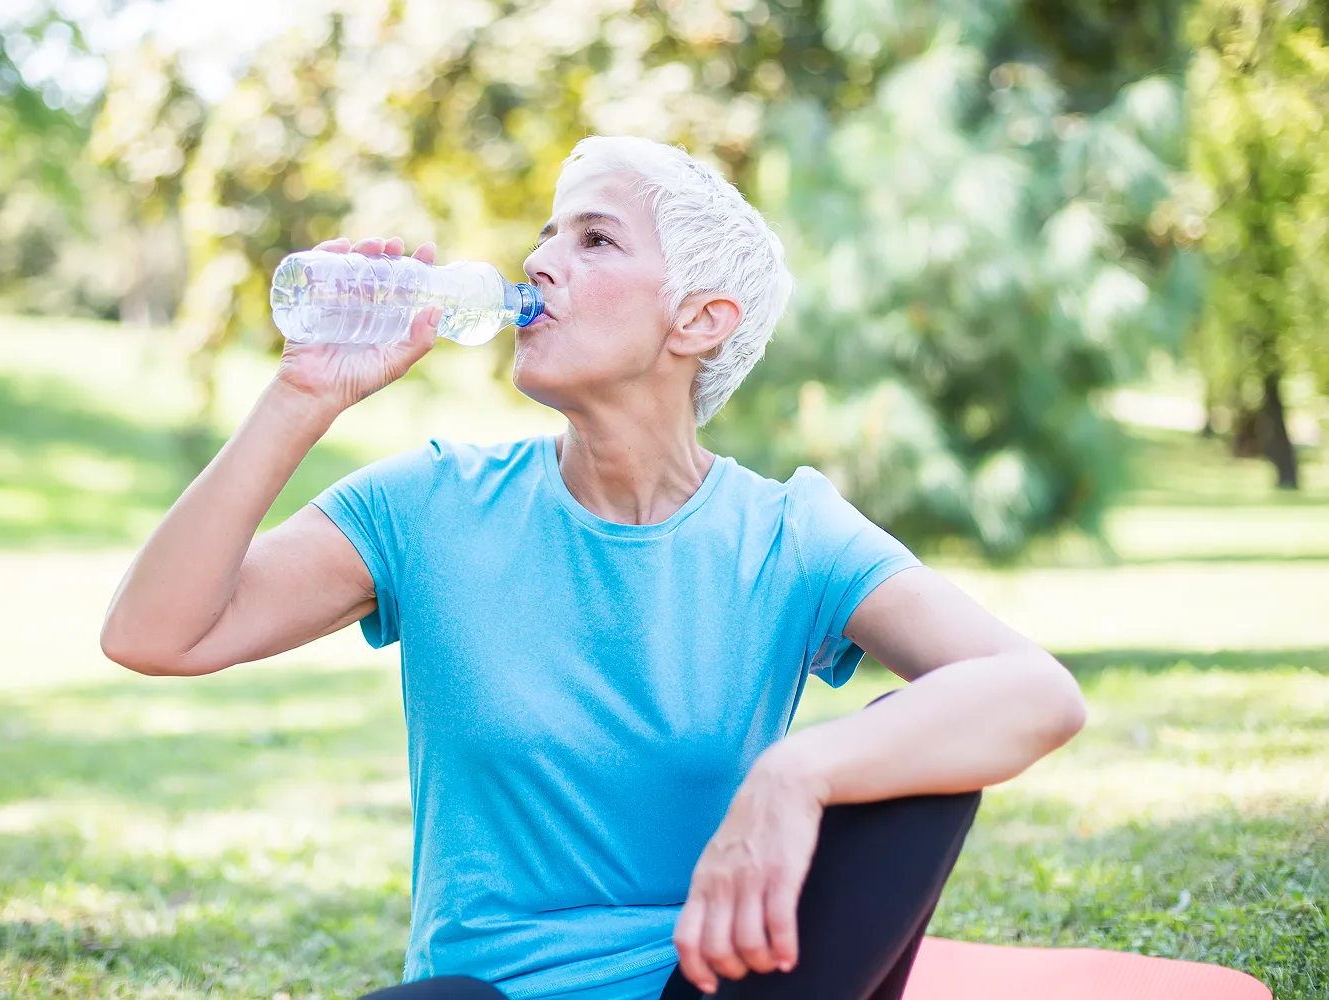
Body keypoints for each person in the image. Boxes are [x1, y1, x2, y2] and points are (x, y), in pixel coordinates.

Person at [101, 135, 1086, 1000]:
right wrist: (300, 394)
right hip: (490, 995)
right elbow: (155, 632)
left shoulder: (788, 533)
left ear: (697, 320)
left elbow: (1034, 692)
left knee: (924, 755)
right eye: (547, 234)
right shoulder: (432, 506)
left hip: (716, 988)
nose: (539, 261)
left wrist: (799, 770)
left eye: (594, 239)